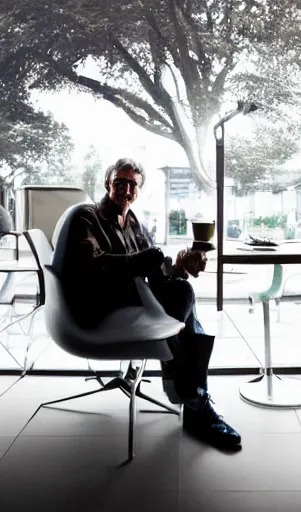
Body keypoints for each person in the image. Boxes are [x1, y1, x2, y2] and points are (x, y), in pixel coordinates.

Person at [61, 157, 241, 450]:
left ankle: (188, 391)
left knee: (181, 289)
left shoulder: (132, 221)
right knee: (181, 299)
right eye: (120, 182)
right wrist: (147, 259)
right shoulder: (87, 216)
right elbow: (89, 266)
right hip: (98, 308)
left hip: (129, 302)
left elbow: (157, 273)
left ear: (138, 191)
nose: (126, 189)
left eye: (133, 184)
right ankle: (192, 399)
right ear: (108, 183)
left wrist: (182, 262)